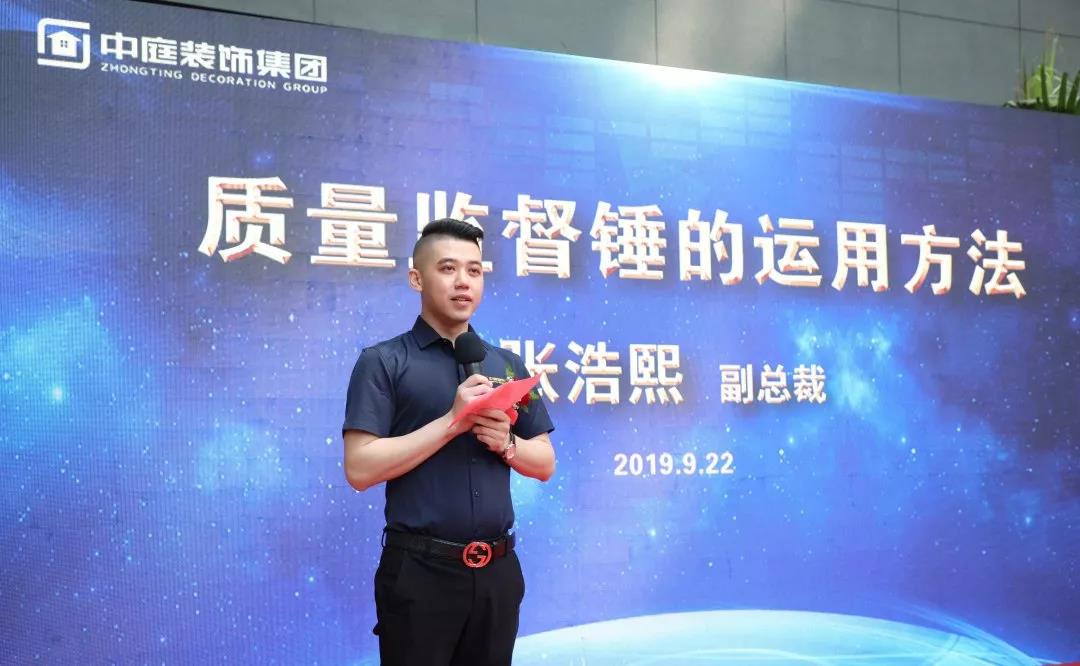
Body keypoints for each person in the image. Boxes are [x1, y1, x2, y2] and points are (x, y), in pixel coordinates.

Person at [342, 218, 556, 666]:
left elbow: (544, 462)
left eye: (474, 270)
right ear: (416, 278)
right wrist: (452, 422)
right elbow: (359, 468)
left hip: (497, 574)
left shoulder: (506, 364)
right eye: (448, 268)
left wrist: (508, 445)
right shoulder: (383, 361)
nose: (463, 281)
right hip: (420, 575)